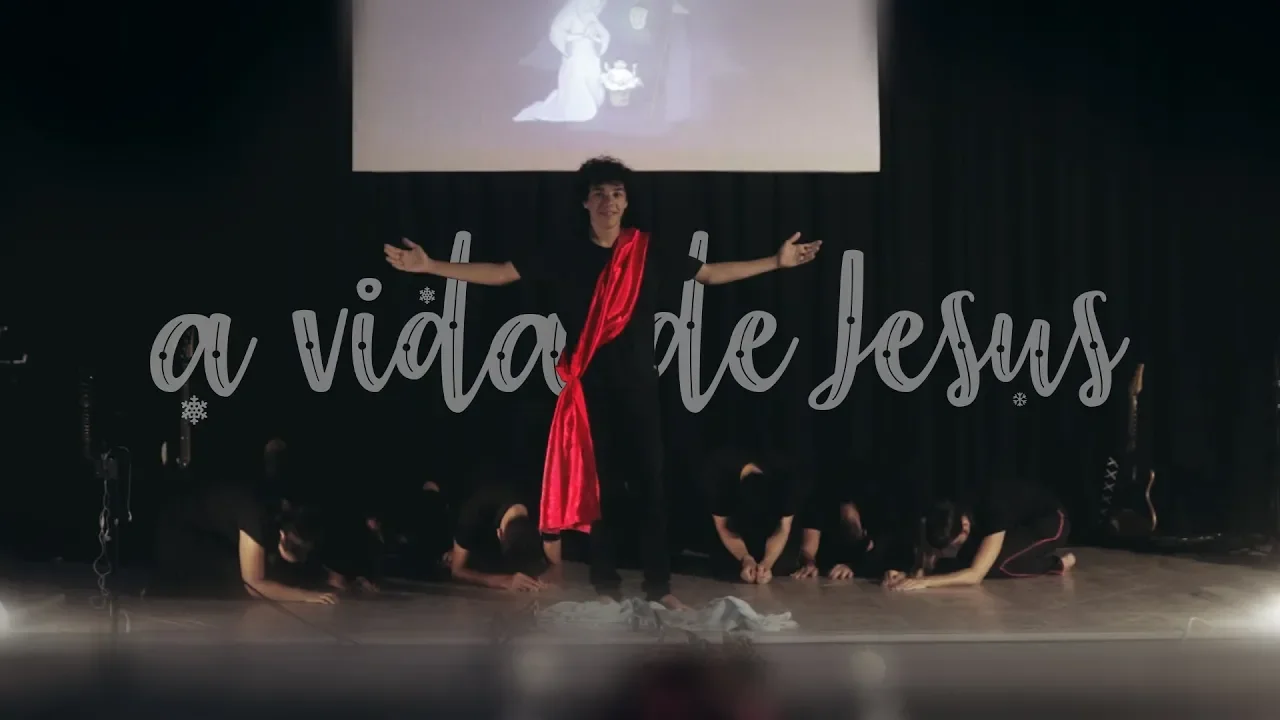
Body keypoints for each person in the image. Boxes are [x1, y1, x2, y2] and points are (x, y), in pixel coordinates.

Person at [384, 155, 821, 608]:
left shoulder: (648, 249)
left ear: (626, 201)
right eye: (599, 194)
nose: (608, 202)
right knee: (602, 493)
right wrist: (430, 267)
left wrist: (776, 261)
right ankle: (606, 587)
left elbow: (709, 274)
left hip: (640, 390)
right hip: (588, 391)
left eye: (616, 193)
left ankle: (659, 588)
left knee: (652, 489)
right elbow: (500, 273)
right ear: (585, 202)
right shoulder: (564, 252)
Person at [150, 481, 335, 603]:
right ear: (284, 536)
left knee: (265, 569)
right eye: (300, 551)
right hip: (179, 535)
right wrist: (305, 596)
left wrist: (329, 577)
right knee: (237, 581)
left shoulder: (283, 514)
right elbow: (254, 584)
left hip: (211, 530)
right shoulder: (256, 517)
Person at [884, 479, 1076, 591]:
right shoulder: (944, 513)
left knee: (997, 566)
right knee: (968, 558)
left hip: (1050, 521)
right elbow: (926, 541)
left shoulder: (994, 511)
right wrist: (913, 572)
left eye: (953, 545)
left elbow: (975, 575)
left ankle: (1054, 564)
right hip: (1013, 525)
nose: (949, 552)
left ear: (965, 527)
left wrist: (924, 582)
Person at [702, 448, 809, 584]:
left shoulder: (788, 477)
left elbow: (783, 528)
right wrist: (745, 558)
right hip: (734, 519)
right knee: (725, 566)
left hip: (774, 515)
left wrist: (766, 564)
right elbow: (723, 527)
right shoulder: (719, 475)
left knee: (783, 565)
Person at [448, 480, 563, 592]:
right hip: (466, 510)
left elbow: (556, 565)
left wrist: (544, 579)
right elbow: (457, 571)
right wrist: (503, 581)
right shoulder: (473, 514)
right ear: (499, 533)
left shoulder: (546, 511)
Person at [514, 0, 611, 123]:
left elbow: (605, 35)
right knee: (577, 81)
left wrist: (598, 41)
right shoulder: (570, 15)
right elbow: (556, 31)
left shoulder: (591, 17)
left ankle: (593, 103)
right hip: (575, 57)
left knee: (592, 80)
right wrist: (569, 44)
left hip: (590, 57)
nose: (595, 6)